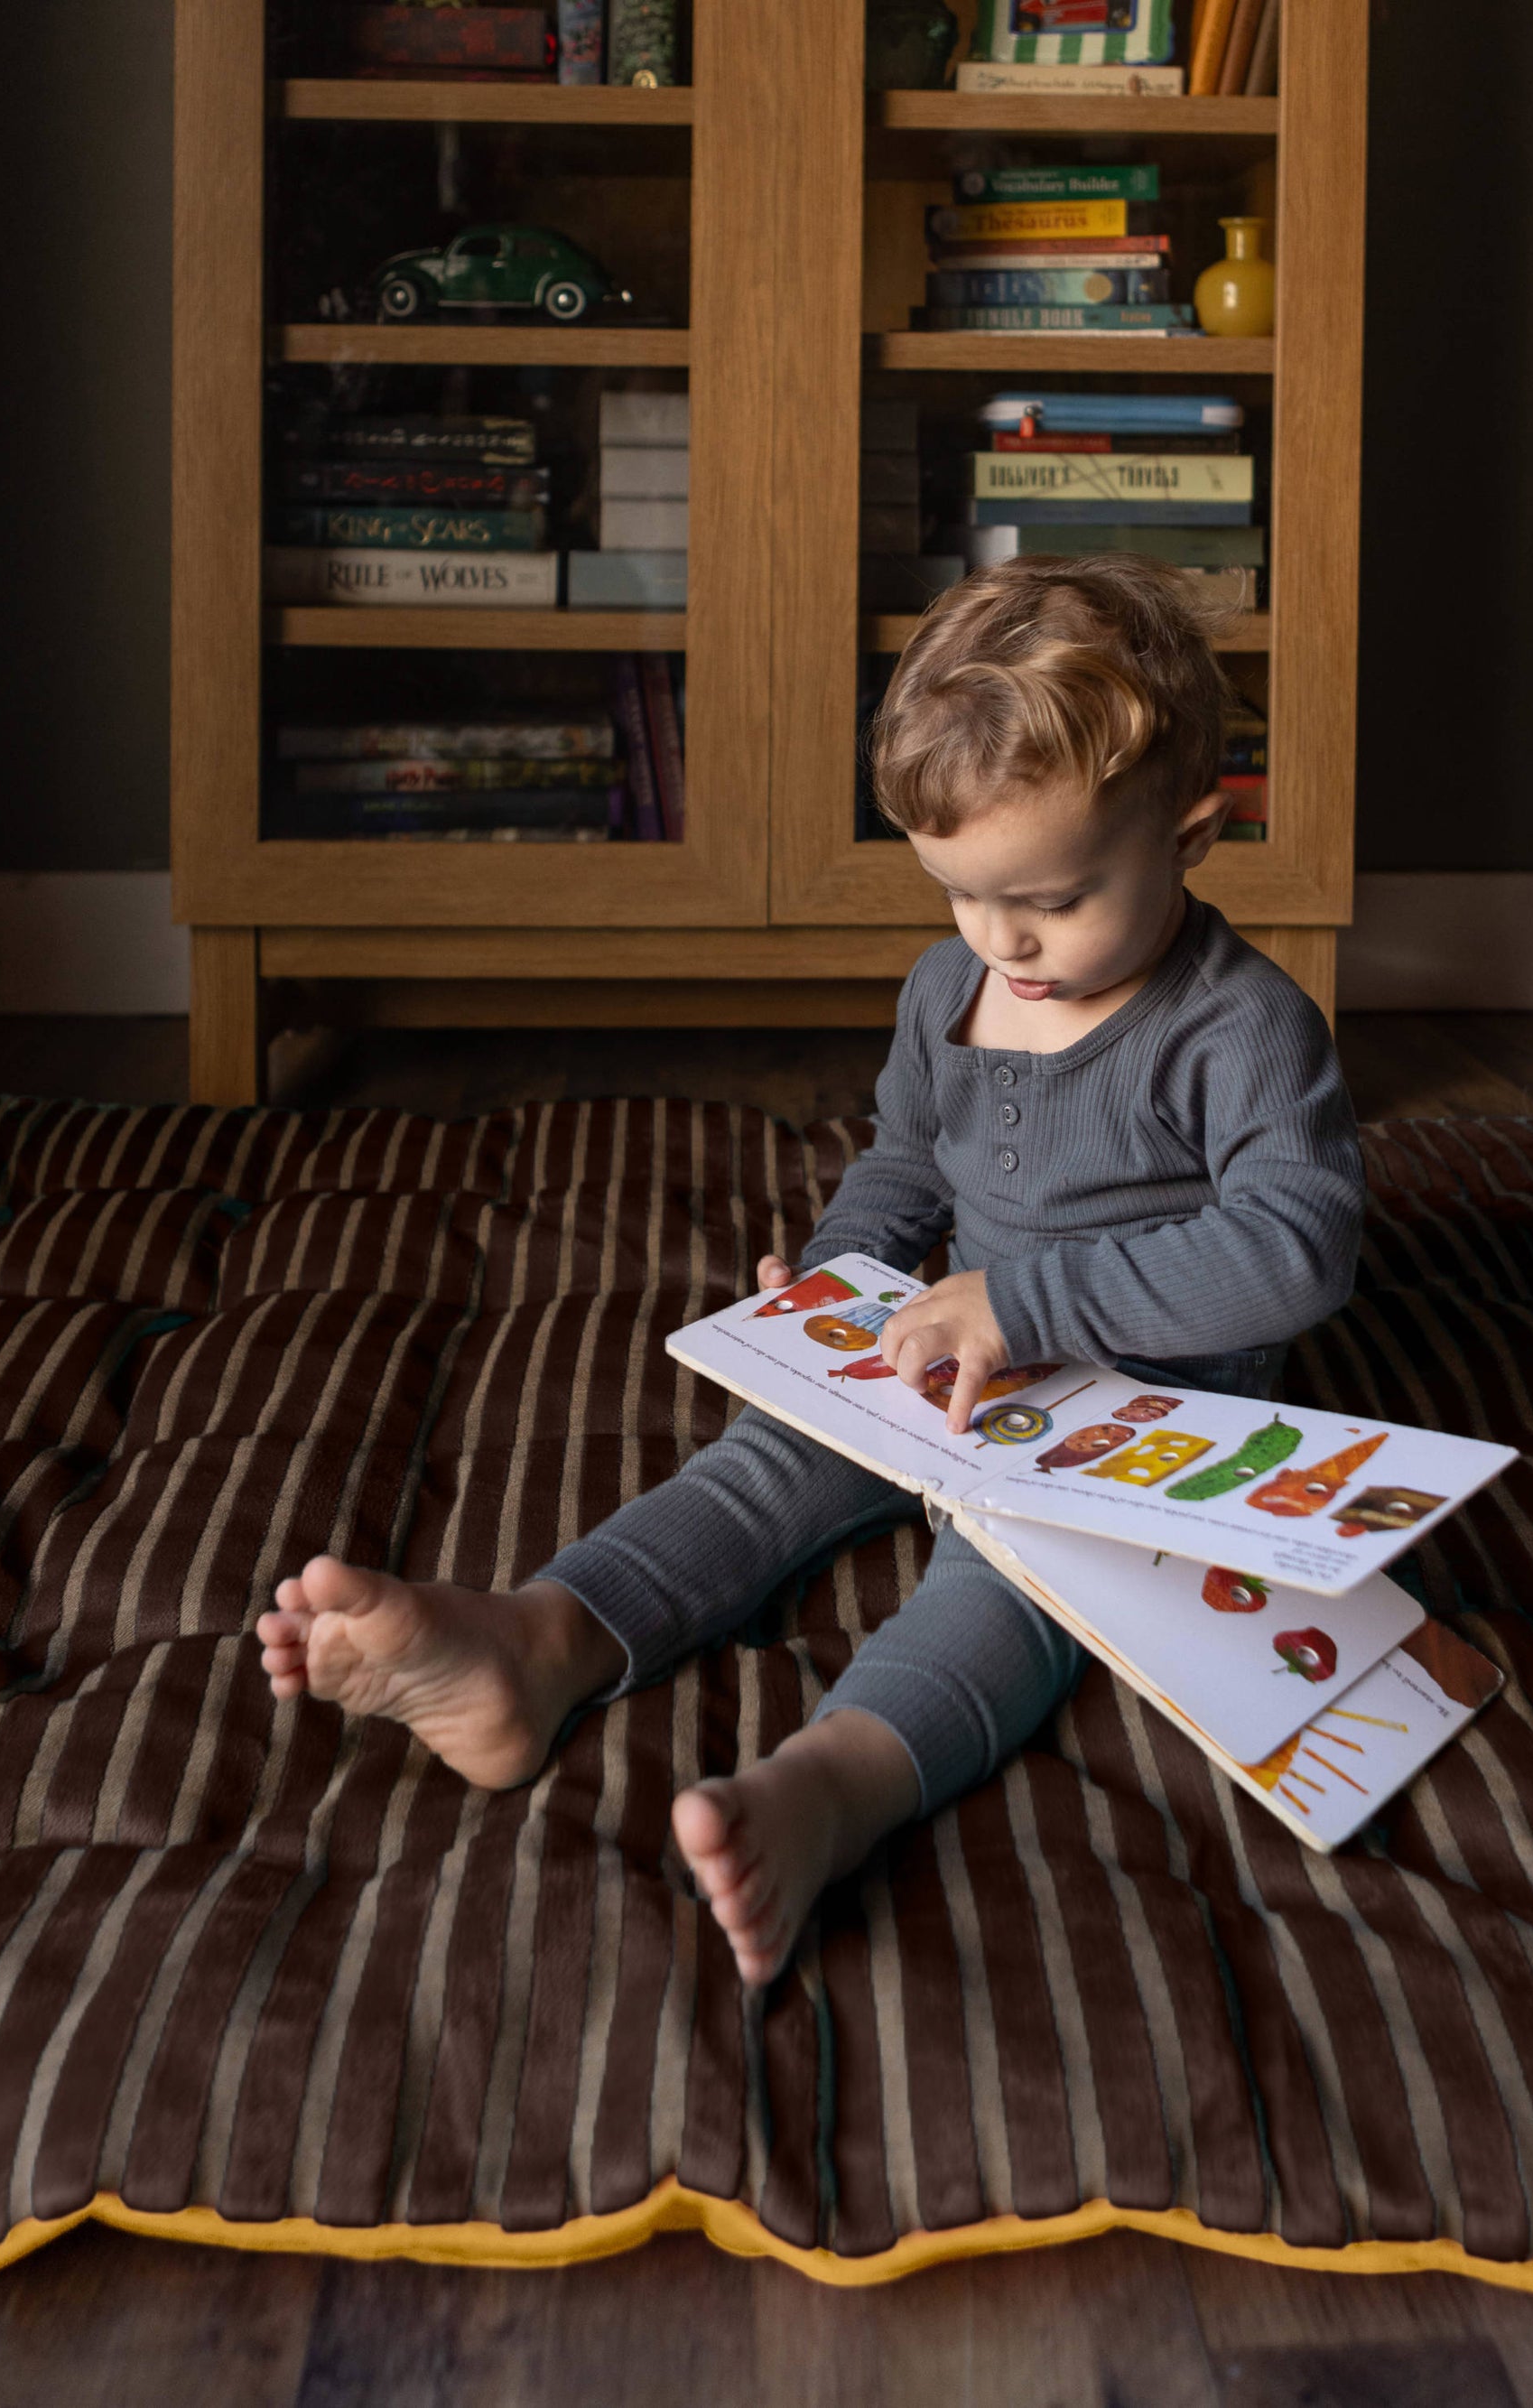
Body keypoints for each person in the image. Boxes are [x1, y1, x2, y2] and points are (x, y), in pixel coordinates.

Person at [256, 556, 1364, 1985]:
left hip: (1143, 1409)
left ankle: (828, 1787)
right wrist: (840, 1284)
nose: (1004, 942)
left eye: (1055, 899)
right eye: (963, 895)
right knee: (763, 1463)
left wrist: (1027, 1302)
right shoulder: (948, 986)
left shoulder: (1244, 1027)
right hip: (956, 1351)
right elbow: (907, 1166)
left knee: (1010, 1584)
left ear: (1194, 835)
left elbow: (1299, 1248)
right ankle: (537, 1643)